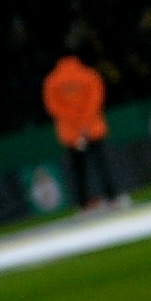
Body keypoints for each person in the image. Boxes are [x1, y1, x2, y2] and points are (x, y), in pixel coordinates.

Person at [45, 48, 114, 210]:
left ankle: (83, 204)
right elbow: (97, 99)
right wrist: (84, 122)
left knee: (78, 170)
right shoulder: (88, 75)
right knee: (102, 165)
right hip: (92, 129)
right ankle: (112, 197)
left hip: (71, 134)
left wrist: (75, 123)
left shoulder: (52, 81)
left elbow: (53, 107)